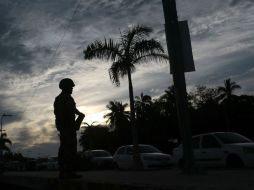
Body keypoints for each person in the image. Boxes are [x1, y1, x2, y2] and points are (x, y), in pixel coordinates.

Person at [54, 78, 85, 179]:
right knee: (68, 149)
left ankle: (67, 172)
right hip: (66, 127)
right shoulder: (62, 99)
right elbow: (60, 114)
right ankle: (66, 172)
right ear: (65, 87)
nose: (72, 88)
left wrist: (80, 114)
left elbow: (73, 109)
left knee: (68, 149)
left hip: (68, 127)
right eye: (71, 87)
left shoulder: (67, 98)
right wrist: (68, 125)